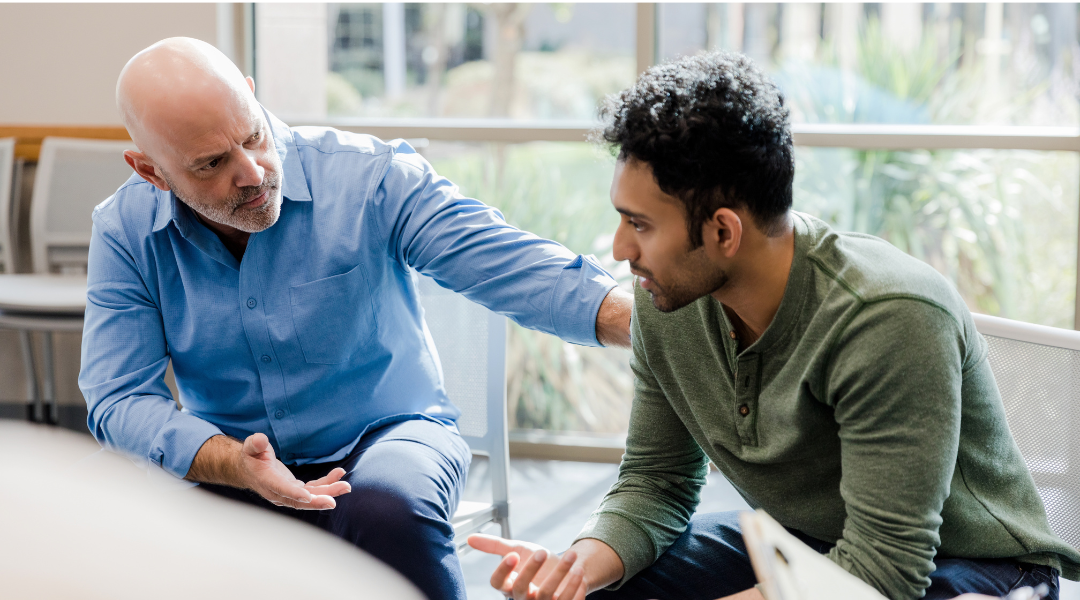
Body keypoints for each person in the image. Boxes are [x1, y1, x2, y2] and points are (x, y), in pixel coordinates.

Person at [469, 52, 1080, 600]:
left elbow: (884, 571)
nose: (621, 247)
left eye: (641, 225)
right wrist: (575, 568)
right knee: (610, 586)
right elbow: (656, 483)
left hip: (971, 570)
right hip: (810, 542)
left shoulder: (887, 318)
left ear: (724, 232)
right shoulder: (668, 302)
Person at [79, 37, 632, 600]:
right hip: (238, 454)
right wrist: (230, 462)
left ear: (251, 95)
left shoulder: (370, 176)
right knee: (142, 546)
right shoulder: (125, 231)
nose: (252, 173)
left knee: (388, 509)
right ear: (151, 170)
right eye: (212, 164)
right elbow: (118, 398)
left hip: (390, 434)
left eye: (253, 136)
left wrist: (647, 323)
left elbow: (504, 262)